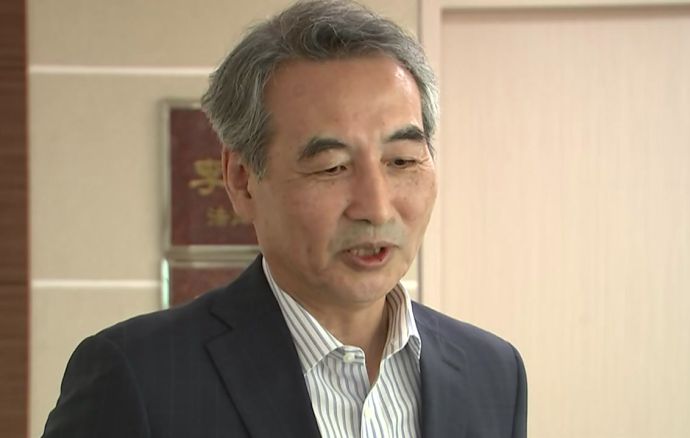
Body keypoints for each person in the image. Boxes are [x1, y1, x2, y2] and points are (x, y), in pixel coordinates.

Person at [42, 1, 527, 437]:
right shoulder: (138, 378)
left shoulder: (492, 373)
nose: (377, 208)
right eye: (332, 167)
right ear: (242, 180)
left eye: (401, 160)